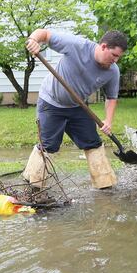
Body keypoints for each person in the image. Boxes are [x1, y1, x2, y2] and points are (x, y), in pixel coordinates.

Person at [23, 29, 128, 189]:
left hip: (78, 106)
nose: (116, 60)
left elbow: (111, 97)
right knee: (49, 145)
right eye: (114, 55)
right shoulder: (76, 46)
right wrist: (33, 40)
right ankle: (34, 183)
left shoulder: (112, 71)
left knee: (92, 143)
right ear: (104, 46)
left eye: (119, 57)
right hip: (51, 103)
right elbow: (44, 34)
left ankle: (105, 184)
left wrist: (108, 120)